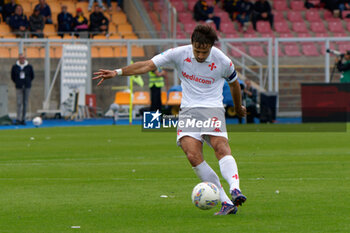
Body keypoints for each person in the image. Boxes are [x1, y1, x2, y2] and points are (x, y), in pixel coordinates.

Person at [93, 25, 247, 215]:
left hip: (211, 109)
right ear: (191, 44)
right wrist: (117, 72)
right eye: (197, 50)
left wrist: (238, 107)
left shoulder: (222, 61)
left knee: (219, 146)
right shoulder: (179, 53)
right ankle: (226, 202)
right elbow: (148, 65)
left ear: (211, 47)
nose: (200, 55)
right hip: (188, 112)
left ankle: (235, 188)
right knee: (192, 155)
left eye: (204, 51)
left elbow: (234, 84)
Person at [11, 54, 34, 125]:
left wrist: (27, 82)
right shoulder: (15, 67)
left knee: (25, 103)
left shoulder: (29, 67)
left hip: (27, 86)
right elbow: (13, 77)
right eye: (20, 58)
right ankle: (18, 118)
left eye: (23, 58)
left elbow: (32, 76)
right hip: (19, 86)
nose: (22, 60)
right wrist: (18, 82)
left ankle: (23, 119)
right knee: (19, 103)